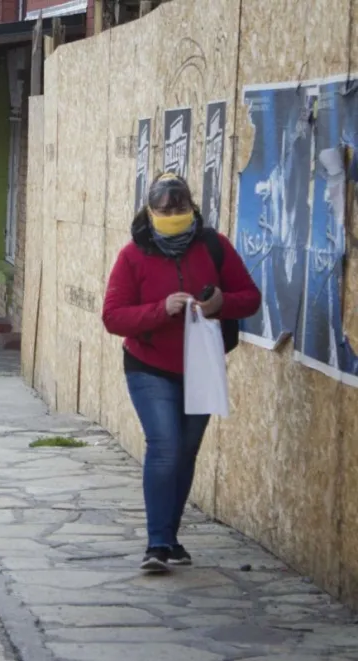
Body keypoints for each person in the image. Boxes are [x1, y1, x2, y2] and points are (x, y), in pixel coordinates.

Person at [101, 173, 260, 573]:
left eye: (180, 208)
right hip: (149, 365)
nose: (173, 215)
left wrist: (220, 303)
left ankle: (171, 538)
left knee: (186, 451)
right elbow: (113, 316)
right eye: (164, 210)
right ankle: (155, 543)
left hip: (201, 365)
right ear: (150, 211)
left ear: (193, 208)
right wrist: (161, 309)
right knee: (166, 446)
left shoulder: (214, 247)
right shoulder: (133, 255)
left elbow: (251, 298)